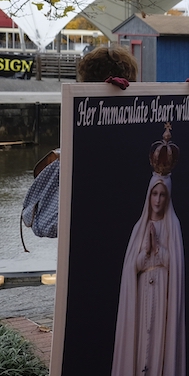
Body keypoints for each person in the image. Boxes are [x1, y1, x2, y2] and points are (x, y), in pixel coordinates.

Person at [104, 123, 186, 376]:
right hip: (141, 300)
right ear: (148, 194)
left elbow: (175, 267)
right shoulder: (140, 228)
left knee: (160, 351)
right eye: (154, 193)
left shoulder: (173, 226)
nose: (158, 199)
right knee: (141, 351)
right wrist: (146, 253)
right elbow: (131, 269)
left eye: (163, 194)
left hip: (163, 296)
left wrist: (160, 250)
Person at [22, 45, 139, 242]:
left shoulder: (75, 152)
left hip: (87, 254)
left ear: (84, 80)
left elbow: (45, 225)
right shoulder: (149, 140)